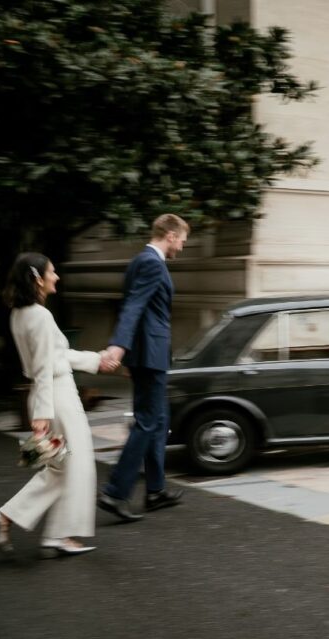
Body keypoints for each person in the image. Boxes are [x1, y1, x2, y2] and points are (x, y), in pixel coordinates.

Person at [0, 253, 120, 558]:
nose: (57, 277)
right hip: (57, 397)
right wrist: (41, 415)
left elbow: (57, 357)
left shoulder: (20, 314)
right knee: (75, 466)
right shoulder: (40, 316)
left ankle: (10, 520)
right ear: (37, 278)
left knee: (59, 467)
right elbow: (44, 366)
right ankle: (55, 534)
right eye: (52, 272)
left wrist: (97, 359)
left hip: (48, 393)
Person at [97, 213, 189, 522]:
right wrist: (119, 347)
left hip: (146, 354)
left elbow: (132, 305)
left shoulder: (139, 261)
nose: (183, 246)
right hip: (150, 355)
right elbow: (134, 306)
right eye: (183, 239)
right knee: (148, 422)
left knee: (158, 420)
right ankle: (115, 492)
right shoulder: (152, 263)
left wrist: (129, 353)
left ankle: (155, 490)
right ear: (171, 235)